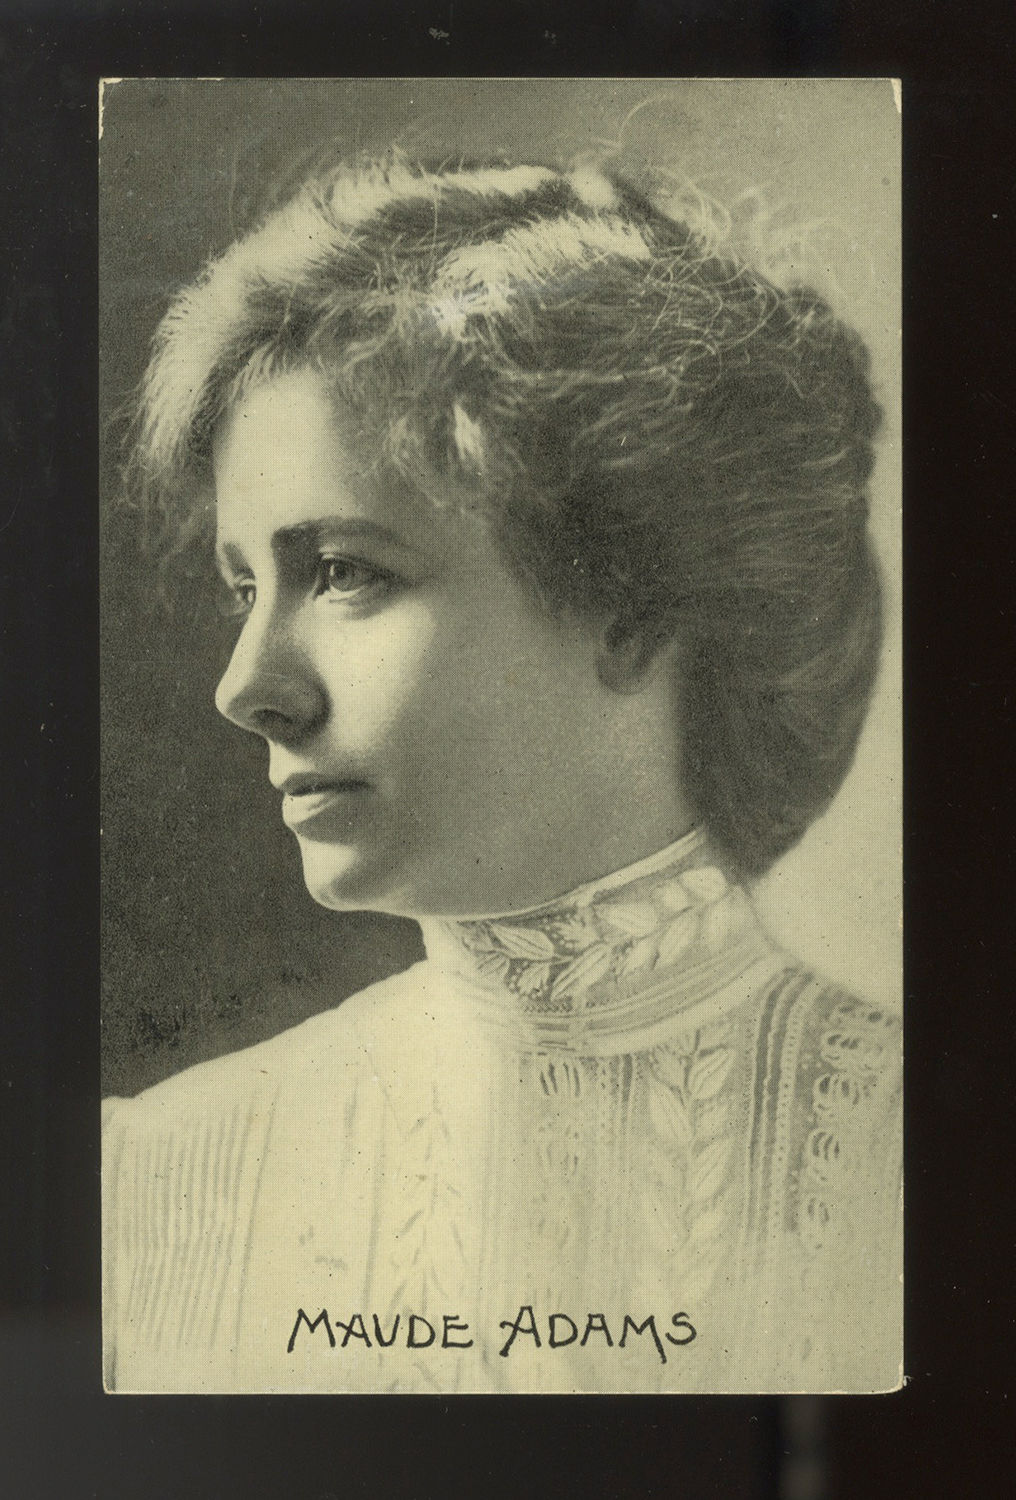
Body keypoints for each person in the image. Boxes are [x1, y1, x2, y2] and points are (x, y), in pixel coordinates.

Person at [102, 151, 901, 1393]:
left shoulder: (934, 1156)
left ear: (633, 604)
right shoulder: (156, 1180)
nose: (247, 686)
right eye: (244, 587)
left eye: (345, 572)